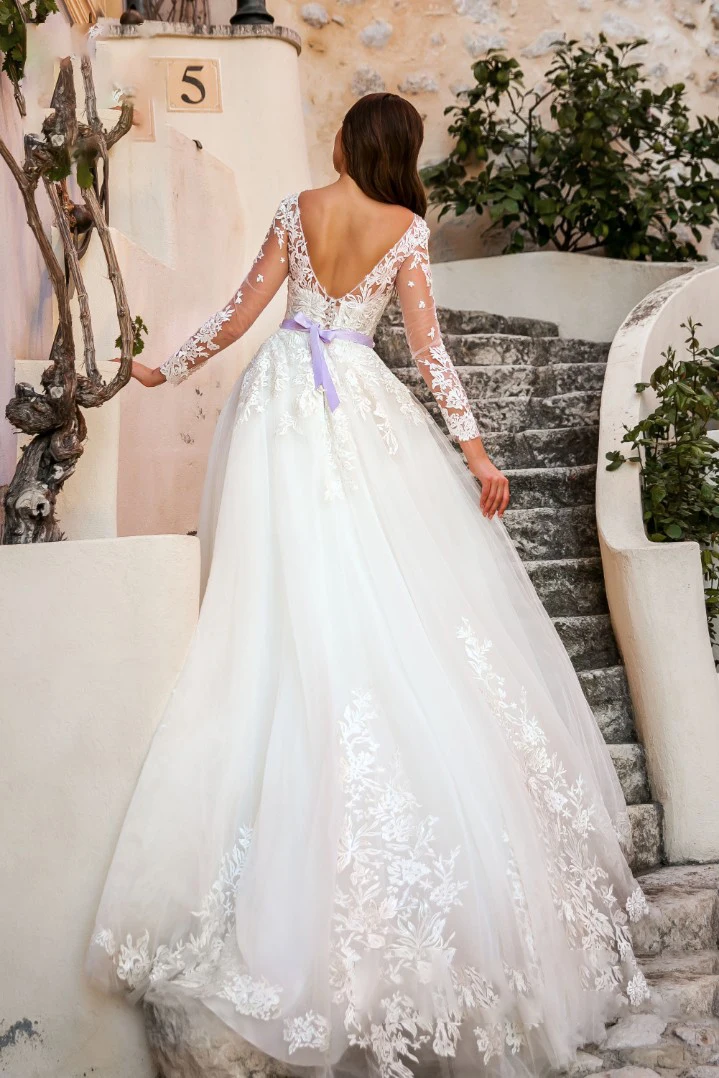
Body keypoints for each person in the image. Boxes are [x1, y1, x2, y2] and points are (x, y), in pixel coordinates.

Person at [89, 92, 649, 1078]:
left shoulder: (296, 208)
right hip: (359, 408)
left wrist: (163, 368)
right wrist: (474, 453)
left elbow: (239, 313)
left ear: (350, 142)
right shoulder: (405, 230)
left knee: (280, 585)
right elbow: (429, 357)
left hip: (280, 404)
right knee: (375, 583)